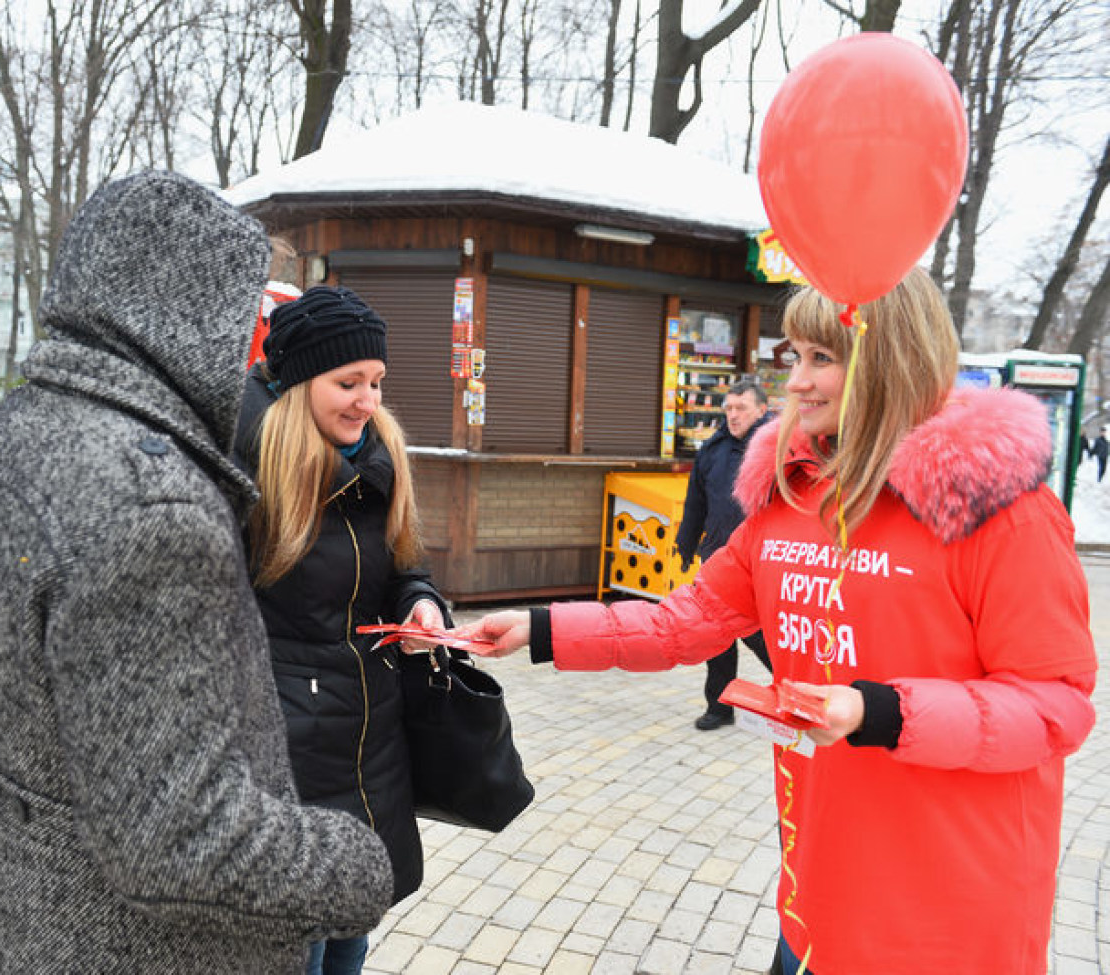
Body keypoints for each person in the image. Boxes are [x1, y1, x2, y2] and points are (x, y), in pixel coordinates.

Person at [456, 266, 1097, 974]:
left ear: (888, 361)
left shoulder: (999, 511)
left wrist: (879, 710)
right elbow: (684, 621)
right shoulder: (791, 501)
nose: (795, 382)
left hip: (949, 910)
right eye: (794, 357)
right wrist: (540, 627)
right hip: (821, 887)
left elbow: (1054, 707)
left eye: (822, 358)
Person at [0, 172, 393, 975]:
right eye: (242, 307)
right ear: (193, 307)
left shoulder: (17, 432)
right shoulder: (154, 509)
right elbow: (180, 835)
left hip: (47, 926)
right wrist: (353, 862)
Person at [229, 285, 451, 975]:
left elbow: (407, 563)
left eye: (377, 381)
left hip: (368, 748)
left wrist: (422, 602)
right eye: (348, 382)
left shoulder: (380, 452)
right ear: (298, 382)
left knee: (351, 936)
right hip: (284, 760)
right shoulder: (245, 467)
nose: (368, 400)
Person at [676, 378, 773, 730]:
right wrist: (685, 545)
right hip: (717, 555)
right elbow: (696, 502)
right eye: (728, 409)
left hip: (761, 561)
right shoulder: (712, 449)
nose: (733, 415)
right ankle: (719, 707)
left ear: (761, 410)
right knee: (717, 634)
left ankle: (798, 691)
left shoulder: (775, 448)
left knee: (759, 633)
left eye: (741, 408)